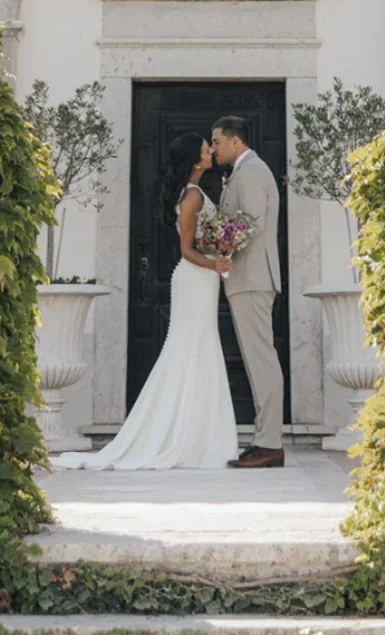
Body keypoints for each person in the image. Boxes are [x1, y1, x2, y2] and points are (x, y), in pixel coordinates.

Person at [52, 133, 238, 471]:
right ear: (195, 160)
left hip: (202, 279)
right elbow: (186, 250)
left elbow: (200, 241)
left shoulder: (193, 192)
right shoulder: (193, 195)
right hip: (195, 278)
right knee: (191, 346)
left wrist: (220, 248)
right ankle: (186, 437)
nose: (210, 151)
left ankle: (196, 433)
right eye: (205, 148)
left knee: (198, 346)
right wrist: (216, 264)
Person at [211, 115, 284, 469]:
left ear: (235, 141)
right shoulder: (244, 171)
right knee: (257, 360)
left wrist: (220, 246)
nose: (214, 149)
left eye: (217, 142)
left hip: (253, 277)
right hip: (247, 278)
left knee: (261, 360)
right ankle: (264, 440)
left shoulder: (252, 171)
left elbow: (249, 223)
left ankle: (269, 444)